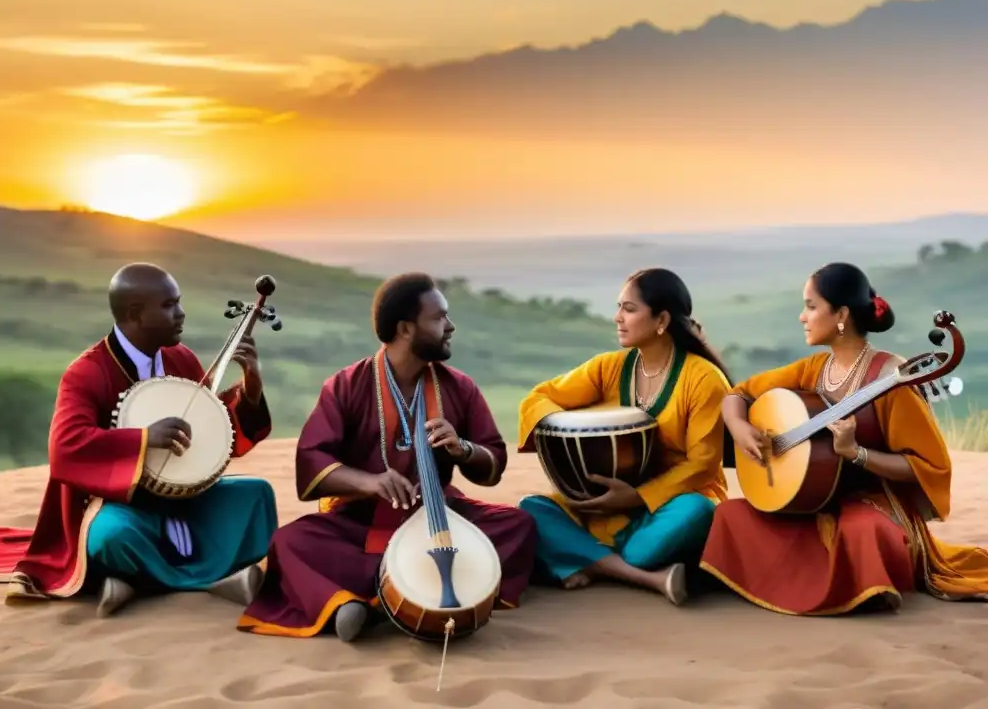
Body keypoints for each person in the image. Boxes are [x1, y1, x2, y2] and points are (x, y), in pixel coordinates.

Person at [0, 263, 278, 617]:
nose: (181, 313)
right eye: (169, 305)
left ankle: (132, 582)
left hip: (186, 501)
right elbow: (66, 448)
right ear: (135, 313)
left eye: (179, 302)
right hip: (120, 507)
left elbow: (214, 437)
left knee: (256, 497)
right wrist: (144, 439)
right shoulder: (87, 373)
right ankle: (213, 581)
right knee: (110, 537)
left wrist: (251, 391)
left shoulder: (181, 359)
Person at [237, 272, 537, 642]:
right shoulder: (347, 385)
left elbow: (493, 463)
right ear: (405, 329)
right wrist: (370, 482)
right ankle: (403, 591)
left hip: (440, 518)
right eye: (439, 317)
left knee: (518, 525)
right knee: (289, 542)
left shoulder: (459, 387)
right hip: (356, 522)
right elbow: (311, 463)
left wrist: (464, 448)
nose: (450, 326)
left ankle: (375, 598)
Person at [700, 262, 988, 614]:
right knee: (731, 514)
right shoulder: (813, 369)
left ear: (841, 315)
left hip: (872, 504)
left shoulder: (891, 380)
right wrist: (740, 428)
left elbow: (926, 466)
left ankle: (838, 583)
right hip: (814, 499)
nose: (802, 317)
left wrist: (856, 453)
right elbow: (738, 394)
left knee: (862, 533)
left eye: (810, 306)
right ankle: (815, 581)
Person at [516, 268, 732, 605]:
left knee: (698, 511)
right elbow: (538, 398)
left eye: (629, 309)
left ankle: (585, 558)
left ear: (661, 319)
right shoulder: (609, 367)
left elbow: (703, 465)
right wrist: (568, 430)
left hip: (670, 505)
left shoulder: (704, 379)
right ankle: (646, 576)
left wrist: (636, 497)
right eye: (619, 307)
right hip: (602, 509)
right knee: (531, 509)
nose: (617, 318)